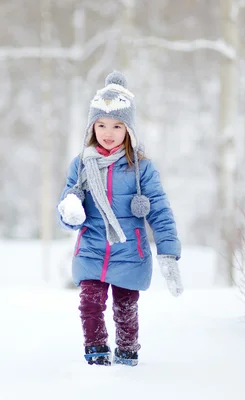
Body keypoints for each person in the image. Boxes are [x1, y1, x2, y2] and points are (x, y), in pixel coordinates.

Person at [56, 71, 182, 367]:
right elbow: (67, 207)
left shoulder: (141, 168)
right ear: (91, 127)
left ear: (129, 130)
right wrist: (71, 213)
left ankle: (127, 354)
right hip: (92, 248)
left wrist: (168, 251)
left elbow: (160, 210)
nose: (107, 132)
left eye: (116, 125)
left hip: (129, 250)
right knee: (90, 304)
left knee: (126, 307)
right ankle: (96, 354)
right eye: (100, 124)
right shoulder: (82, 165)